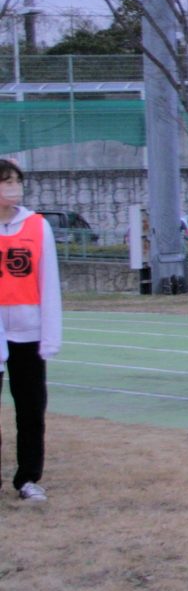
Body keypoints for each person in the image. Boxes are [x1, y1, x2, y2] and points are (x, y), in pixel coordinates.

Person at [0, 160, 60, 504]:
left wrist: (49, 336)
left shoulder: (37, 227)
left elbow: (48, 282)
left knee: (31, 409)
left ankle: (28, 478)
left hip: (28, 332)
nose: (12, 187)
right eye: (5, 181)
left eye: (16, 181)